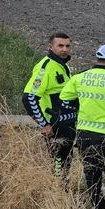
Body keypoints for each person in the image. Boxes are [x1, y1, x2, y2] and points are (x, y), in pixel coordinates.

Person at [60, 43, 105, 209]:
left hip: (83, 136)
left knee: (92, 177)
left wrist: (81, 108)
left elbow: (65, 99)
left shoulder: (79, 77)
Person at [22, 32, 76, 177]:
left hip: (68, 124)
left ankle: (63, 194)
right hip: (54, 125)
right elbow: (29, 97)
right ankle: (58, 195)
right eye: (60, 45)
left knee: (66, 163)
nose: (64, 49)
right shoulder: (45, 67)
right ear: (50, 47)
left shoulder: (63, 65)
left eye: (67, 46)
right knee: (58, 165)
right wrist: (44, 124)